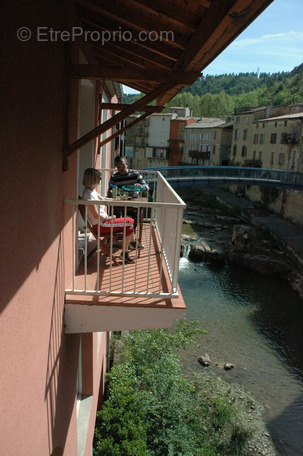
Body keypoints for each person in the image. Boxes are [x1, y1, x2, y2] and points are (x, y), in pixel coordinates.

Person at [82, 168, 135, 264]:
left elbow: (103, 199)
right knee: (130, 222)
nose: (100, 180)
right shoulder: (88, 195)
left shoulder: (91, 191)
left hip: (103, 222)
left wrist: (117, 200)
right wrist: (109, 218)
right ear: (93, 179)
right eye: (99, 178)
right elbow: (96, 215)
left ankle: (127, 251)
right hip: (101, 225)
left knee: (130, 227)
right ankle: (131, 245)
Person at [108, 155, 149, 249]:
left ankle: (131, 237)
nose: (121, 168)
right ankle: (120, 236)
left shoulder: (135, 174)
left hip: (133, 202)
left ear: (126, 164)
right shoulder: (114, 177)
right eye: (118, 166)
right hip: (119, 203)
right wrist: (111, 192)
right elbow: (110, 191)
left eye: (122, 165)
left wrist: (140, 187)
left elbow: (147, 187)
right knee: (115, 213)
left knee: (138, 214)